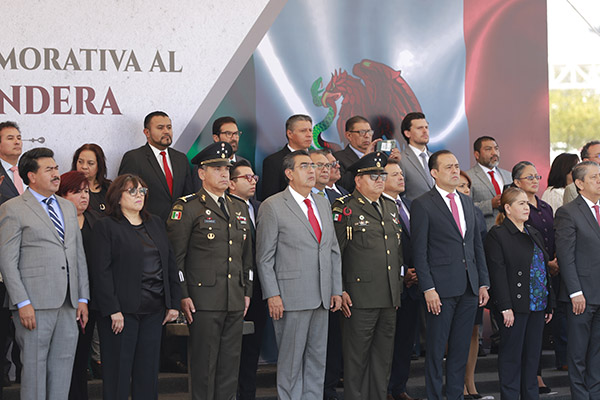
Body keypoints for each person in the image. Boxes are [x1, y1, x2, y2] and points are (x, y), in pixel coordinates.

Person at [0, 147, 89, 399]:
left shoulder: (68, 207)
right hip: (34, 304)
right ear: (31, 176)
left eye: (56, 168)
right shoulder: (13, 208)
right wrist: (22, 302)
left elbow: (77, 255)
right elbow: (7, 261)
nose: (55, 174)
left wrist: (82, 298)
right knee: (35, 369)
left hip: (69, 303)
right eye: (48, 169)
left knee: (63, 368)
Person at [167, 142, 253, 400]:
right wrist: (182, 294)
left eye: (227, 168)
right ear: (202, 173)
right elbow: (176, 258)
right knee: (204, 366)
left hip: (234, 298)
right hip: (202, 300)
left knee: (229, 367)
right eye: (217, 168)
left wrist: (246, 290)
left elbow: (246, 255)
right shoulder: (188, 207)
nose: (224, 173)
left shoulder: (238, 207)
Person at [257, 150, 342, 400]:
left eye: (313, 166)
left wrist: (336, 288)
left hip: (322, 294)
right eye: (304, 166)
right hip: (291, 296)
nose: (312, 171)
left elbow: (332, 249)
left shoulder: (322, 202)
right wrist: (272, 294)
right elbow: (264, 257)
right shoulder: (273, 206)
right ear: (289, 174)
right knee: (291, 361)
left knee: (317, 359)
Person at [90, 174, 181, 400]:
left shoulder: (156, 223)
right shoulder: (106, 226)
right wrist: (112, 309)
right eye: (132, 191)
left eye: (142, 191)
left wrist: (172, 303)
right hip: (121, 313)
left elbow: (169, 263)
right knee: (118, 373)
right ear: (117, 197)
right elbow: (101, 272)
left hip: (154, 310)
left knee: (148, 372)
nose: (139, 195)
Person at [412, 150, 490, 400]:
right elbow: (420, 252)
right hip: (440, 289)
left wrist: (483, 283)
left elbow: (476, 246)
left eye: (457, 166)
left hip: (469, 287)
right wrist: (428, 288)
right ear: (434, 173)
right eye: (448, 167)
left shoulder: (467, 202)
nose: (455, 170)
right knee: (436, 350)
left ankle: (455, 395)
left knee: (460, 348)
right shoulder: (423, 203)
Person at [332, 152, 403, 400]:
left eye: (382, 175)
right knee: (357, 359)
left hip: (388, 295)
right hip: (359, 297)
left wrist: (398, 288)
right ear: (359, 181)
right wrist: (339, 288)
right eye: (374, 176)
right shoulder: (345, 209)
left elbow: (396, 253)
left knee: (382, 359)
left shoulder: (390, 207)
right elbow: (335, 253)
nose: (380, 180)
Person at [484, 187, 554, 399]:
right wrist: (505, 306)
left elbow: (543, 270)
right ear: (507, 208)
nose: (527, 207)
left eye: (527, 203)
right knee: (511, 358)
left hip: (538, 305)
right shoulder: (498, 235)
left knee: (532, 358)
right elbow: (498, 273)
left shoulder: (533, 232)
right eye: (521, 203)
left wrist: (549, 304)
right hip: (514, 307)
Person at [555, 161, 600, 399]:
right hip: (581, 295)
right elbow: (565, 255)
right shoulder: (568, 212)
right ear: (580, 184)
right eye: (594, 177)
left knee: (597, 353)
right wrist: (575, 292)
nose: (599, 180)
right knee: (578, 353)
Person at [512, 161, 558, 393]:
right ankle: (532, 376)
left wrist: (554, 260)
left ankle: (535, 374)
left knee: (540, 331)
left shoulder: (545, 207)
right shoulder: (514, 207)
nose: (534, 180)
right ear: (516, 182)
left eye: (537, 176)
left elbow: (553, 234)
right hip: (528, 275)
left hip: (548, 272)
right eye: (528, 177)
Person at [55, 171, 102, 400]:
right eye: (77, 192)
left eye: (86, 191)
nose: (84, 196)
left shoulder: (97, 221)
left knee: (82, 355)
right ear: (62, 194)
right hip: (61, 299)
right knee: (63, 357)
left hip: (89, 298)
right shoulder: (55, 221)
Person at [383, 159, 422, 400]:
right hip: (389, 285)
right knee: (387, 341)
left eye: (401, 173)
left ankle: (399, 387)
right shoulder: (378, 207)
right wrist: (403, 270)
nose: (401, 177)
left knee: (406, 340)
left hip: (414, 285)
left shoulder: (409, 205)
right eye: (394, 174)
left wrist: (417, 271)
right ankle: (384, 388)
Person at [228, 160, 265, 400]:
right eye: (246, 177)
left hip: (261, 289)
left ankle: (248, 395)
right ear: (231, 183)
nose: (252, 181)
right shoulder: (225, 207)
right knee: (232, 350)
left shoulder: (262, 207)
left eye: (254, 177)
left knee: (253, 348)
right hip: (234, 289)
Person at [118, 111, 194, 221]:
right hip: (147, 225)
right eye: (160, 128)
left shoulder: (181, 158)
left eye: (169, 127)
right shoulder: (134, 158)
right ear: (147, 132)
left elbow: (188, 195)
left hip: (179, 226)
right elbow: (126, 196)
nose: (166, 131)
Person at [456, 170, 487, 400]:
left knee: (474, 332)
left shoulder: (475, 212)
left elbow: (481, 249)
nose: (466, 190)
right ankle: (459, 385)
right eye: (461, 186)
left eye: (468, 186)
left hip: (473, 281)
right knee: (455, 335)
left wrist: (484, 282)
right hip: (452, 282)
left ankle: (471, 381)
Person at [0, 121, 24, 394]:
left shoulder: (30, 173)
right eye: (10, 138)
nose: (17, 142)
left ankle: (23, 371)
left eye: (19, 137)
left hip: (27, 259)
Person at [334, 116, 401, 193]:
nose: (367, 136)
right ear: (349, 135)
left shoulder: (380, 157)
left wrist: (395, 163)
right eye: (362, 132)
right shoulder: (338, 157)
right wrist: (364, 161)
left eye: (369, 132)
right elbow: (344, 186)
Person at [260, 114, 314, 200]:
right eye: (303, 131)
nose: (309, 135)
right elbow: (270, 198)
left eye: (310, 130)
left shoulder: (316, 158)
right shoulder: (273, 162)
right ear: (290, 134)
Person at [192, 116, 250, 191]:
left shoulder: (245, 163)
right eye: (228, 134)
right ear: (216, 138)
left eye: (236, 133)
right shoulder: (204, 166)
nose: (234, 138)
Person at [467, 136, 512, 230]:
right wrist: (490, 204)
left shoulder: (509, 176)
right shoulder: (468, 177)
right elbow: (465, 207)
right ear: (477, 154)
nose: (494, 153)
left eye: (496, 148)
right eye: (488, 149)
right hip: (485, 233)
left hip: (510, 233)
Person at [398, 112, 434, 201]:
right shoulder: (401, 159)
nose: (425, 131)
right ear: (407, 133)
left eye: (426, 127)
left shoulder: (434, 158)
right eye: (419, 128)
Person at [71, 143, 112, 213]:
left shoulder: (108, 188)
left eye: (90, 163)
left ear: (99, 165)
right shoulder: (69, 187)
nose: (84, 167)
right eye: (80, 162)